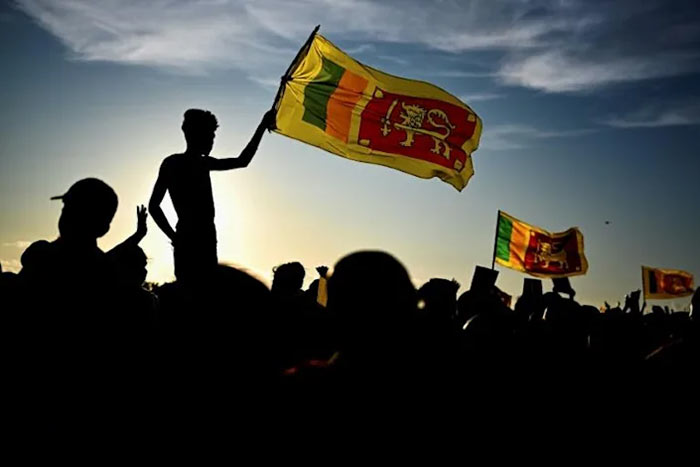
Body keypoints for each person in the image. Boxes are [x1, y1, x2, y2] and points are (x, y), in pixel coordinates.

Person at [149, 108, 275, 282]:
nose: (212, 140)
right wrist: (175, 237)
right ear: (197, 135)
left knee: (200, 289)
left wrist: (175, 237)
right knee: (199, 289)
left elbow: (242, 161)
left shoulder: (188, 163)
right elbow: (154, 206)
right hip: (193, 235)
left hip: (198, 235)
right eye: (211, 135)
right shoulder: (187, 163)